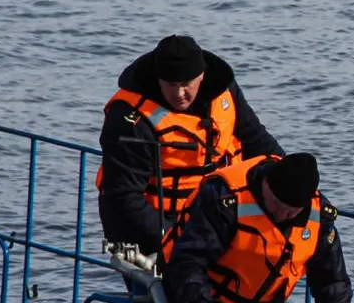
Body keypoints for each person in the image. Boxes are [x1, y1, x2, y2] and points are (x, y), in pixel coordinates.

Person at [97, 34, 282, 265]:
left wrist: (291, 183)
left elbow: (257, 141)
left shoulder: (225, 93)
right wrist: (179, 239)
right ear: (157, 79)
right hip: (146, 232)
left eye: (186, 84)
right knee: (175, 293)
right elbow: (123, 197)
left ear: (201, 76)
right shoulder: (129, 119)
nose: (179, 94)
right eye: (171, 85)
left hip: (212, 220)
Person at [165, 151, 354, 303]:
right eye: (278, 206)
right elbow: (189, 259)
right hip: (208, 302)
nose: (283, 215)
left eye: (292, 212)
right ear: (265, 185)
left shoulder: (320, 217)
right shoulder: (225, 198)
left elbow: (332, 279)